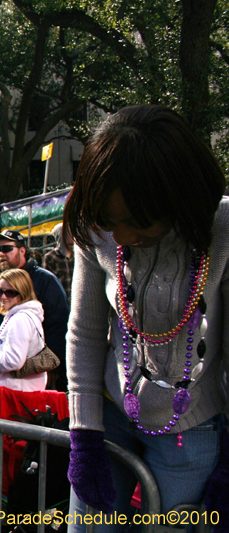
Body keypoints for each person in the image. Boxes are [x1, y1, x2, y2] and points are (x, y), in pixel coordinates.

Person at [62, 105, 228, 531]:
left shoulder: (223, 228)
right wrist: (84, 434)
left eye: (137, 223)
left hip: (190, 432)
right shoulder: (93, 226)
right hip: (109, 417)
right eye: (108, 222)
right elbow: (85, 333)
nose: (119, 236)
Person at [0, 229, 69, 391]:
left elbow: (58, 326)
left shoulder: (45, 280)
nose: (1, 253)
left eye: (7, 249)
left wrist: (52, 368)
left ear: (22, 250)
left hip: (31, 378)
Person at [0, 268, 47, 406]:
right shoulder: (19, 316)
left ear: (23, 292)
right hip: (15, 396)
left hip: (14, 399)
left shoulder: (20, 319)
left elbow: (13, 361)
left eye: (10, 292)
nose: (3, 296)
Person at [43, 223, 74, 306]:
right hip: (61, 304)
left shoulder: (78, 256)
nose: (73, 236)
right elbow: (48, 284)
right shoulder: (51, 257)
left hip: (77, 304)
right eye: (69, 233)